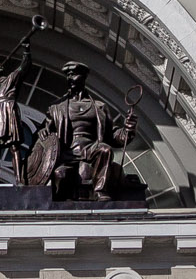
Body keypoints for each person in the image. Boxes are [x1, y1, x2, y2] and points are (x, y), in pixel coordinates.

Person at [24, 61, 140, 201]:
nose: (70, 78)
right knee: (60, 175)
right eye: (68, 75)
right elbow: (44, 134)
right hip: (68, 152)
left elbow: (114, 136)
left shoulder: (99, 107)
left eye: (73, 74)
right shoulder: (56, 107)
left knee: (105, 149)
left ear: (83, 77)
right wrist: (42, 132)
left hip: (91, 148)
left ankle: (100, 190)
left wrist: (129, 129)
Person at [0, 16, 48, 183]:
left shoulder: (10, 80)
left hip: (9, 113)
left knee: (15, 148)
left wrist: (26, 50)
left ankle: (18, 179)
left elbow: (24, 67)